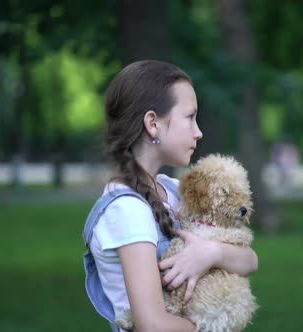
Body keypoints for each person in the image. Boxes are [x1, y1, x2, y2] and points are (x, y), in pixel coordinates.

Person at [82, 60, 258, 332]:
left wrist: (211, 253)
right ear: (152, 123)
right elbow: (152, 325)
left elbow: (250, 260)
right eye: (190, 117)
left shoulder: (173, 190)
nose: (198, 132)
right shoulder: (127, 211)